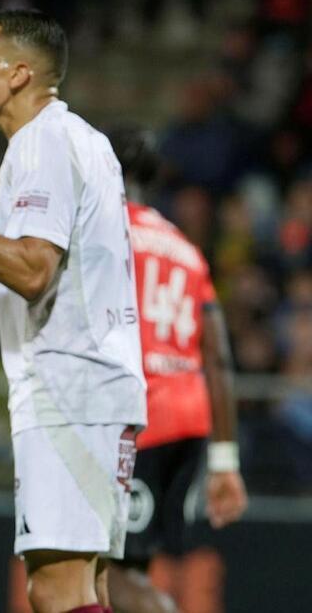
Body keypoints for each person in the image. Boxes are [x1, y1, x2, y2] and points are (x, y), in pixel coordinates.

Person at [0, 9, 147, 613]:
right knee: (87, 587)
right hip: (98, 388)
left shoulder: (42, 143)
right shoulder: (79, 138)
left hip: (69, 388)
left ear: (20, 73)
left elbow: (32, 270)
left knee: (54, 590)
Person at [104, 125, 248, 613]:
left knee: (107, 575)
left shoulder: (102, 234)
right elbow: (220, 357)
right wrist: (226, 459)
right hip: (190, 421)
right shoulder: (185, 249)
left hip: (139, 420)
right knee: (133, 568)